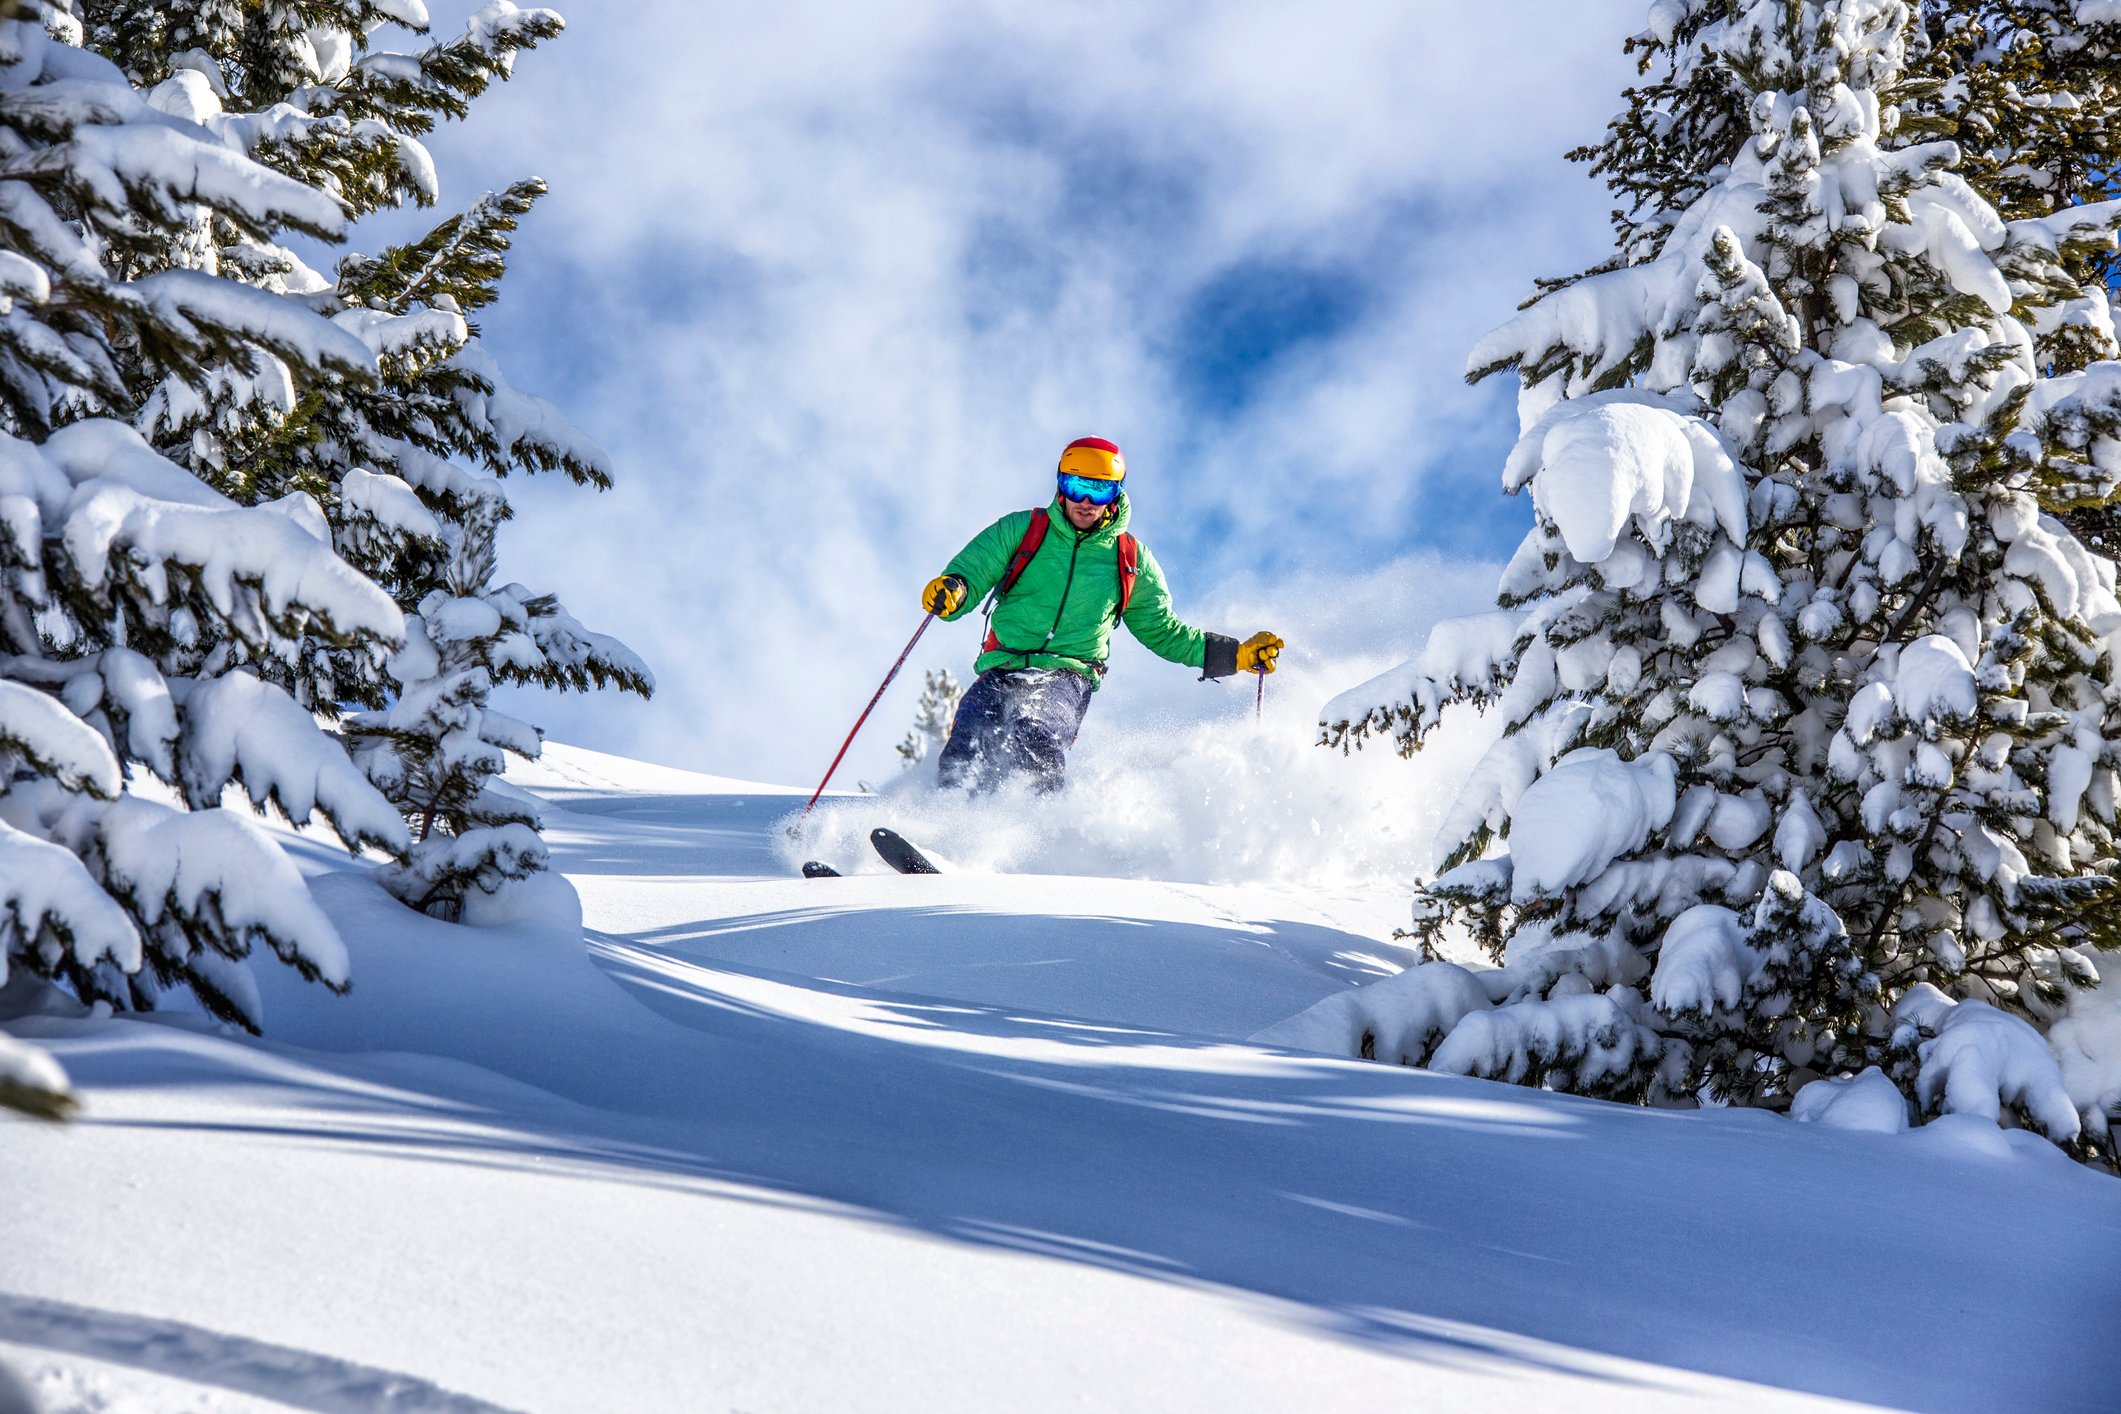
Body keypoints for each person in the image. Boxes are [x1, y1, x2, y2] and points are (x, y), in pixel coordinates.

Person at [920, 436, 1282, 793]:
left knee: (1033, 733)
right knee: (968, 739)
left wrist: (1235, 655)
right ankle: (948, 824)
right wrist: (954, 590)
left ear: (1116, 493)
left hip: (1066, 675)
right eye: (1076, 486)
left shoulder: (1130, 559)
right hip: (1003, 666)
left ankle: (1036, 827)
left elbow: (1164, 631)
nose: (1087, 502)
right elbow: (973, 571)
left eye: (1100, 491)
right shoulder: (1024, 530)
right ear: (1061, 485)